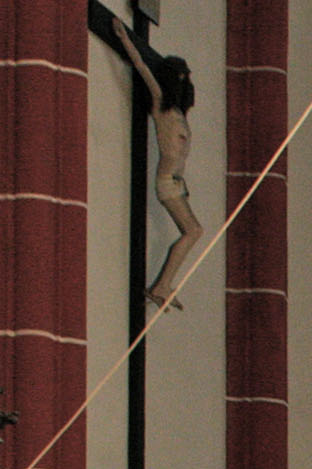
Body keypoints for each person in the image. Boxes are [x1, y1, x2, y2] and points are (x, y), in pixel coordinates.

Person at [113, 19, 200, 310]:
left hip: (177, 185)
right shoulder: (160, 103)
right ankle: (162, 285)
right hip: (167, 182)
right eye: (180, 77)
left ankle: (163, 284)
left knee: (194, 231)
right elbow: (141, 67)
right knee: (194, 232)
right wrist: (125, 38)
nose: (184, 83)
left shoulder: (178, 112)